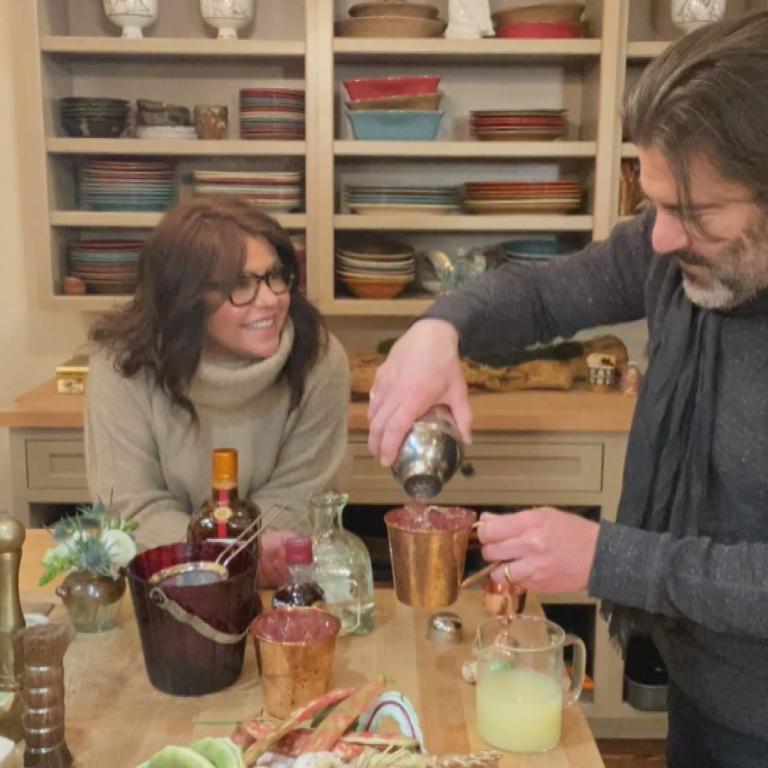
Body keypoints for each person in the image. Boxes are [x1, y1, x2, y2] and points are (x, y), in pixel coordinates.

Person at [368, 13, 768, 767]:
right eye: (656, 205)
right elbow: (547, 295)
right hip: (704, 687)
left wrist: (610, 558)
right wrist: (440, 327)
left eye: (695, 213)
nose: (659, 239)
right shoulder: (675, 253)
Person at [85, 196, 349, 587]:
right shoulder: (121, 366)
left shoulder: (319, 360)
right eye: (240, 285)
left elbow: (298, 500)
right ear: (185, 297)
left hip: (272, 586)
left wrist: (235, 557)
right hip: (157, 585)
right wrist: (230, 558)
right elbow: (133, 510)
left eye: (276, 275)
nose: (271, 299)